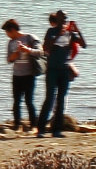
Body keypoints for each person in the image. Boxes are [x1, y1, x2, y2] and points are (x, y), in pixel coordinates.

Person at [37, 9, 87, 138]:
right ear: (57, 19)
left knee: (61, 99)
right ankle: (41, 129)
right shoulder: (51, 31)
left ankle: (57, 130)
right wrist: (59, 34)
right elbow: (45, 47)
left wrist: (77, 30)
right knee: (49, 98)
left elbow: (84, 45)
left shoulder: (70, 33)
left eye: (65, 19)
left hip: (64, 69)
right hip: (52, 69)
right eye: (61, 19)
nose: (64, 21)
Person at [1, 19, 43, 132]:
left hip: (29, 74)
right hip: (16, 75)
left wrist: (27, 49)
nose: (7, 35)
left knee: (29, 100)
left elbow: (40, 52)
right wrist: (16, 53)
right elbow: (9, 60)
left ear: (13, 30)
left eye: (7, 32)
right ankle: (17, 125)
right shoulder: (11, 43)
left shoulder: (30, 37)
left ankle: (34, 125)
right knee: (16, 101)